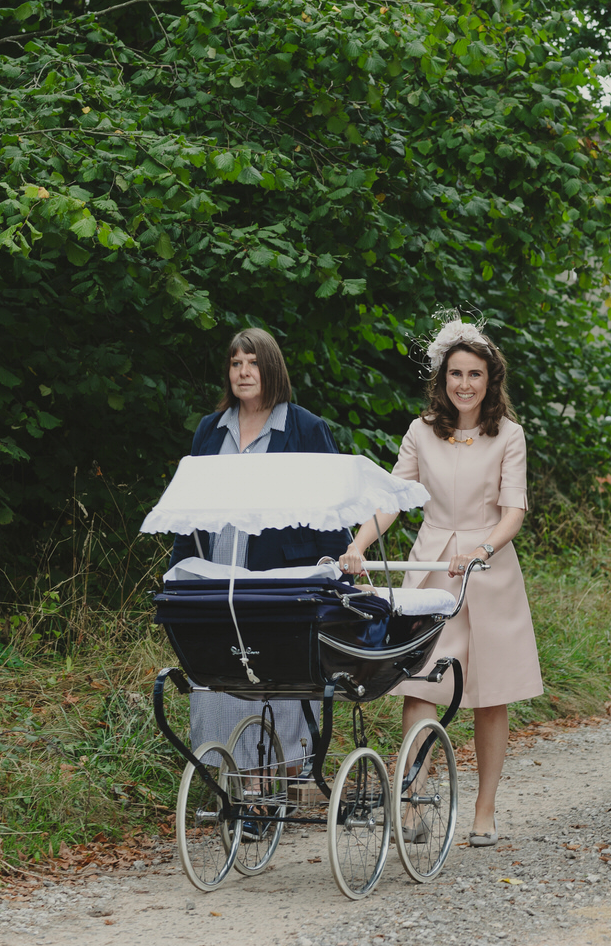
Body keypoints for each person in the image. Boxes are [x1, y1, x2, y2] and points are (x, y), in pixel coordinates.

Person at [338, 315, 541, 848]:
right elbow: (393, 501)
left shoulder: (509, 436)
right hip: (432, 566)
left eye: (475, 374)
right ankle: (411, 802)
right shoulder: (421, 430)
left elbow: (514, 511)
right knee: (420, 681)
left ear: (490, 379)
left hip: (489, 569)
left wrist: (481, 549)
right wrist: (358, 545)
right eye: (456, 373)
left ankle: (484, 809)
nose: (465, 384)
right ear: (443, 377)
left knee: (491, 693)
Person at [168, 327, 348, 773]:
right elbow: (189, 509)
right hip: (216, 576)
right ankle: (234, 783)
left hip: (279, 578)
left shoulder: (305, 428)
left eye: (252, 362)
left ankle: (278, 778)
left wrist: (333, 567)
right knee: (221, 675)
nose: (243, 371)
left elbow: (329, 508)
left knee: (277, 677)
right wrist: (178, 576)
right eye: (235, 363)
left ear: (271, 368)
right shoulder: (210, 431)